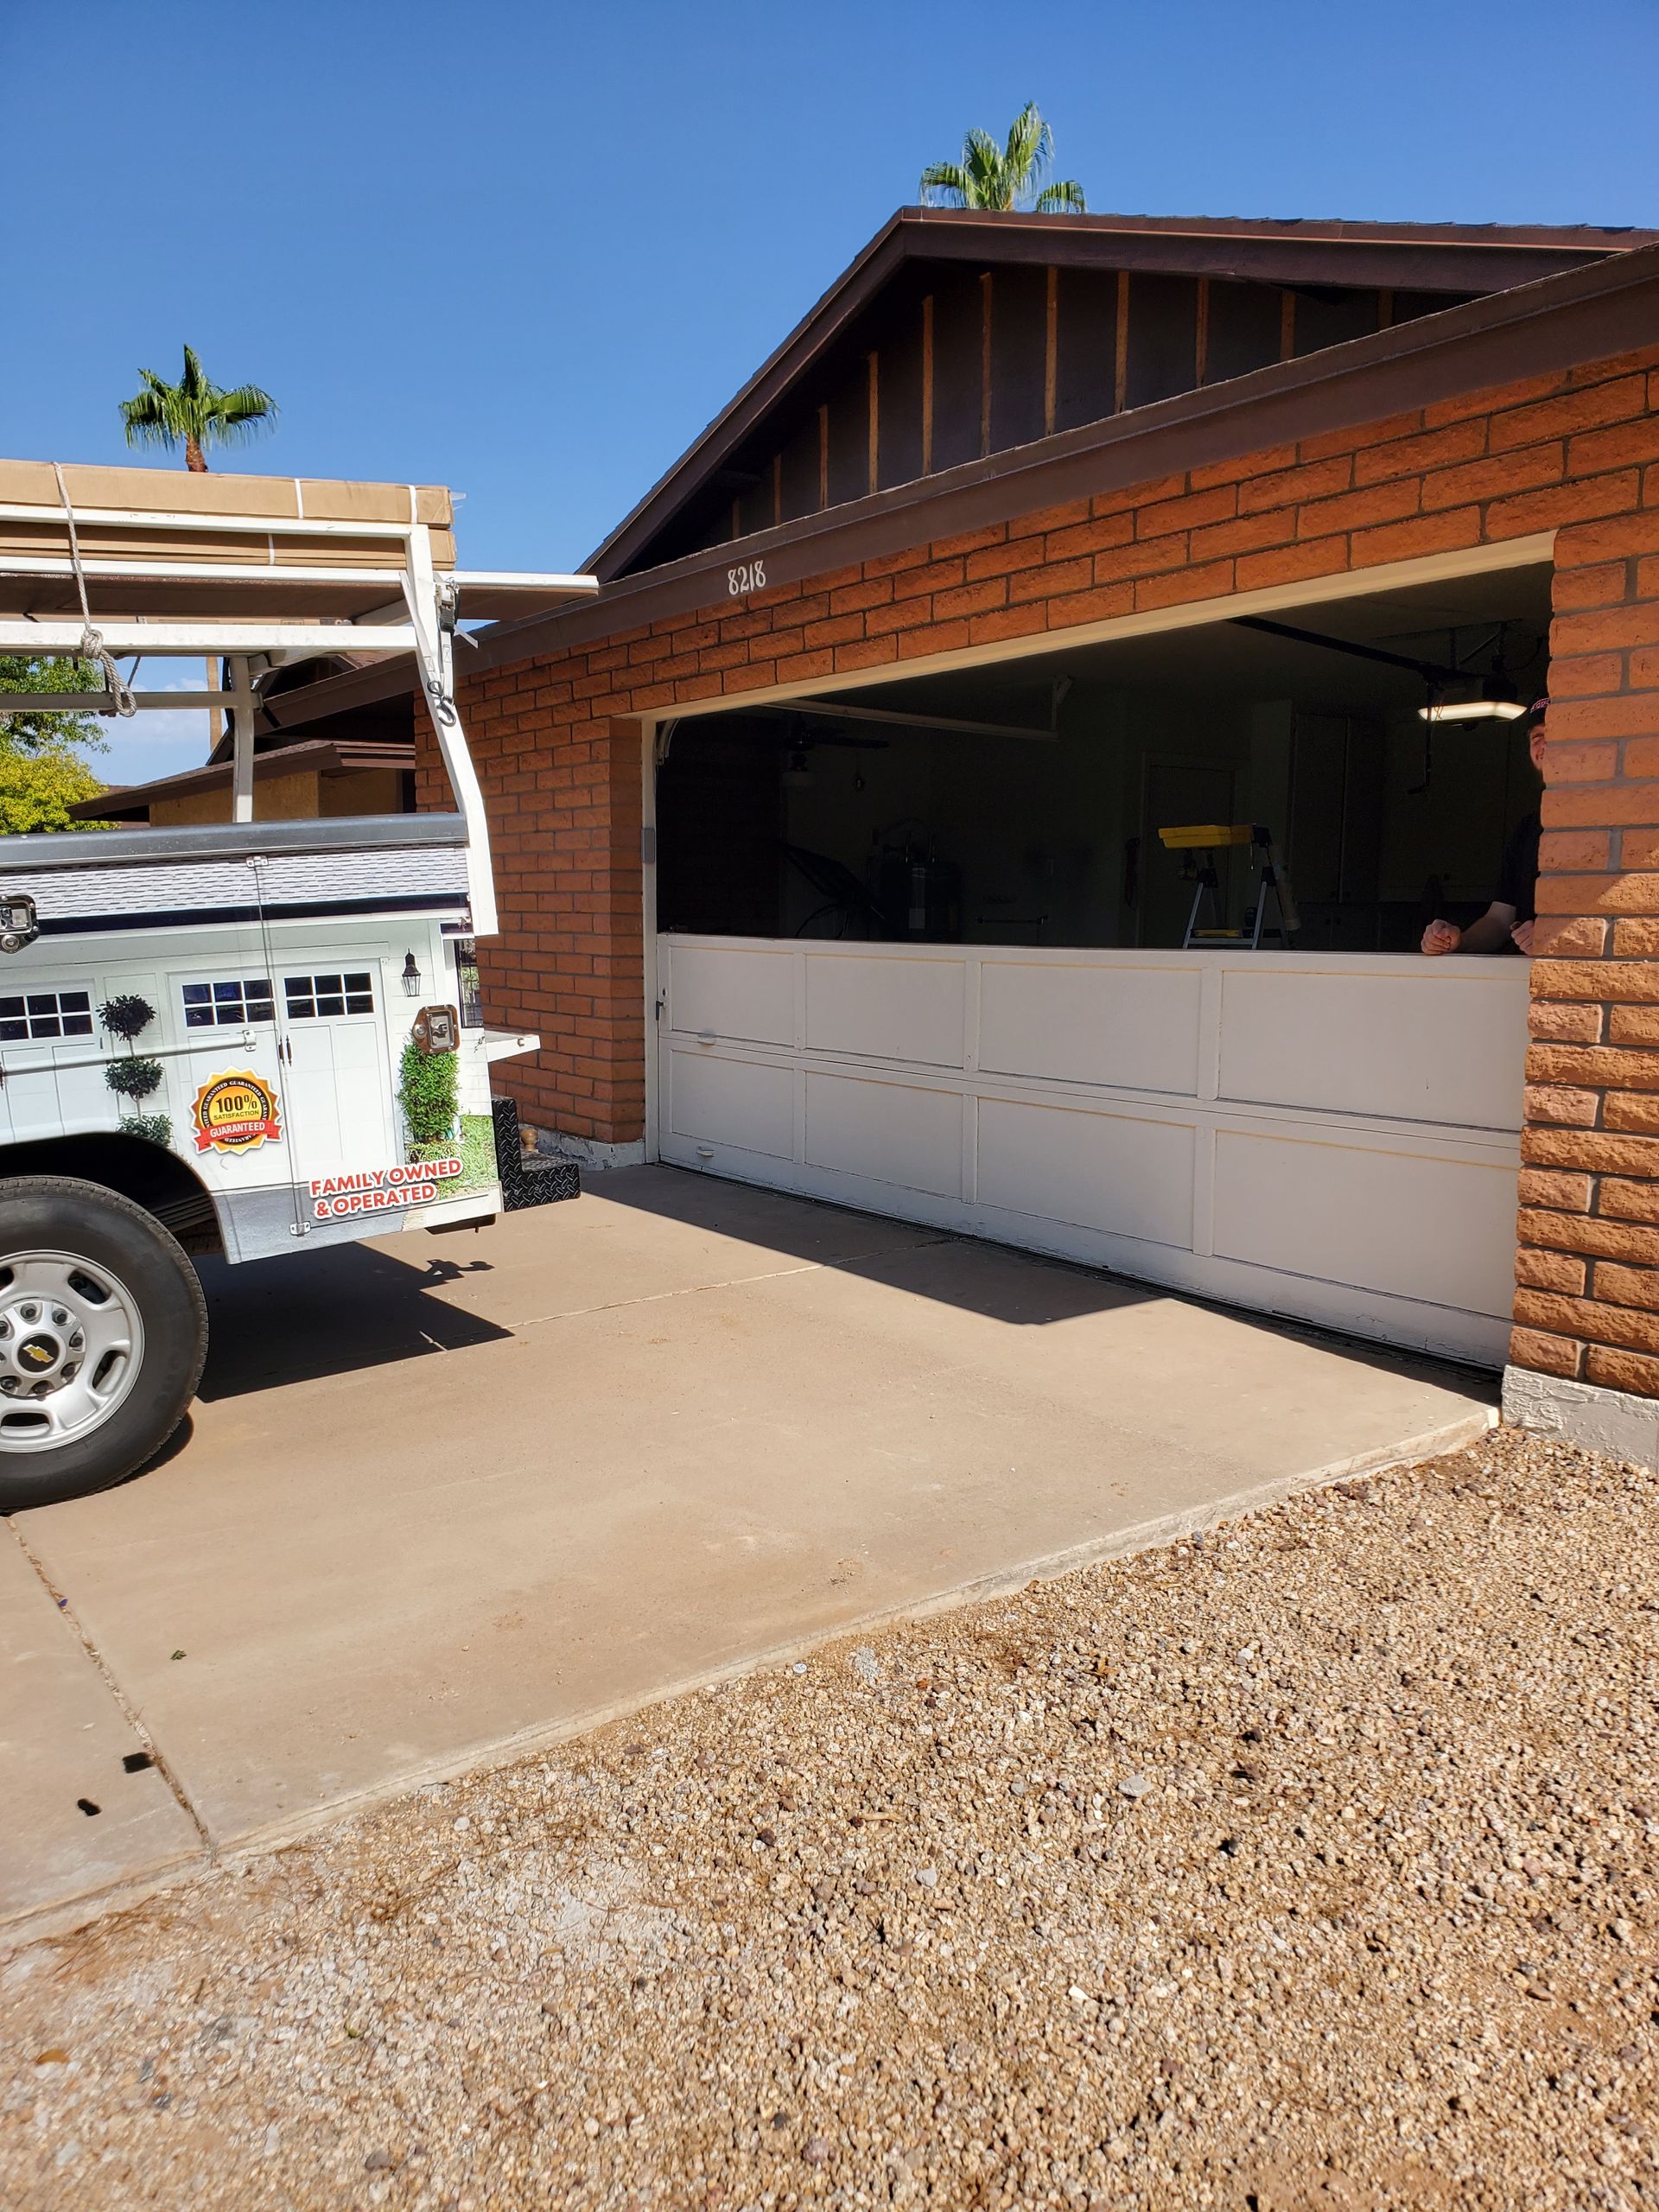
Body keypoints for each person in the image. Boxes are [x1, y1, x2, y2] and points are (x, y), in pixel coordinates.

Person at [1421, 696, 1548, 957]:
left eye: (1558, 733)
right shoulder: (1527, 828)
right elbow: (1500, 920)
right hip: (1519, 981)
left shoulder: (1611, 822)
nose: (1545, 744)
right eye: (1537, 737)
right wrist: (1456, 941)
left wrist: (1560, 937)